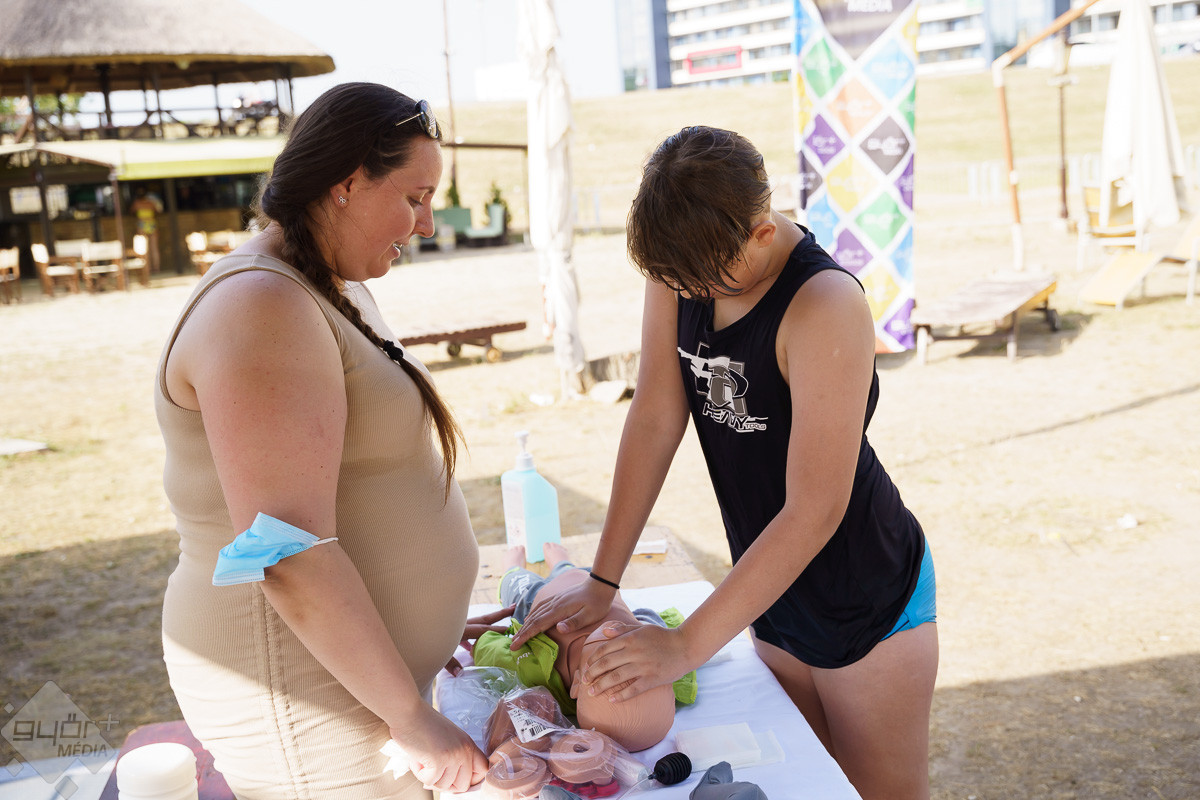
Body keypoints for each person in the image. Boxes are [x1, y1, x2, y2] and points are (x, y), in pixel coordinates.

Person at [511, 126, 938, 799]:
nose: (693, 295)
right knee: (803, 788)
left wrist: (685, 648)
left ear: (762, 233)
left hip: (865, 598)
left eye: (706, 283)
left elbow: (816, 509)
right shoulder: (684, 264)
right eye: (678, 284)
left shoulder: (824, 304)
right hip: (770, 590)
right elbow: (656, 415)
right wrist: (601, 579)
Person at [155, 82, 508, 799]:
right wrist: (408, 715)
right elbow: (287, 553)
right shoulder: (262, 306)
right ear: (346, 184)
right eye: (415, 198)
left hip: (354, 678)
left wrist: (431, 621)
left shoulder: (324, 283)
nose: (427, 225)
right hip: (303, 698)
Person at [472, 543, 690, 753]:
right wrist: (648, 627)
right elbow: (669, 628)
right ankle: (561, 562)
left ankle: (512, 567)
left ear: (577, 683)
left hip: (533, 601)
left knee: (515, 582)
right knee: (568, 568)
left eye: (605, 661)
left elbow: (493, 653)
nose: (617, 644)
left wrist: (483, 642)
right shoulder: (672, 657)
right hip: (597, 581)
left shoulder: (540, 678)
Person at [129, 186, 163, 272]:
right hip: (151, 223)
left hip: (142, 224)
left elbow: (131, 211)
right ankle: (156, 268)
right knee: (154, 248)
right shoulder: (151, 203)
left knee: (143, 248)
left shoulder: (136, 203)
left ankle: (147, 268)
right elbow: (158, 211)